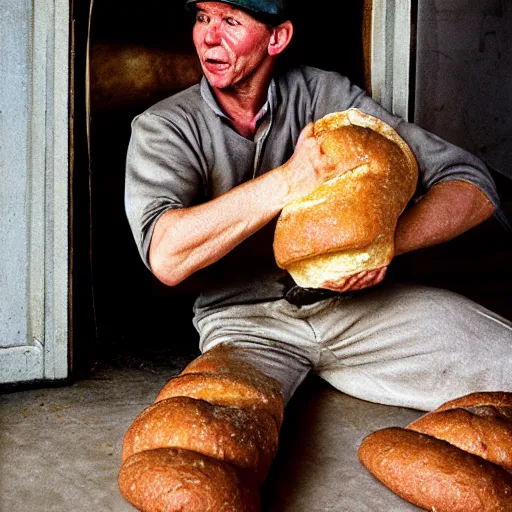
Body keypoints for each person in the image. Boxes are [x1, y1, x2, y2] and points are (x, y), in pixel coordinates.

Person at [125, 0, 512, 413]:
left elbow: (474, 187)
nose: (208, 36)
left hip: (356, 310)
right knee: (219, 429)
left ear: (278, 38)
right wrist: (290, 179)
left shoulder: (327, 96)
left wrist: (376, 247)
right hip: (243, 322)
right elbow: (166, 255)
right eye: (203, 18)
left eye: (230, 21)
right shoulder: (163, 126)